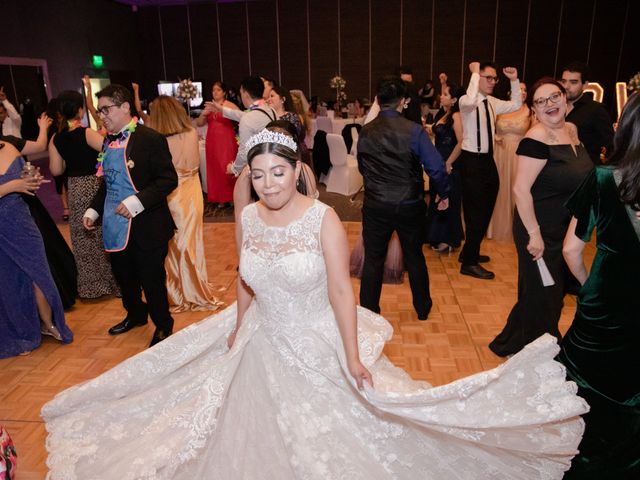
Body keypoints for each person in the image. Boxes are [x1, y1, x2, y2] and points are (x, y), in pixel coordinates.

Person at [42, 128, 589, 480]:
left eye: (277, 172)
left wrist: (351, 355)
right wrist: (237, 325)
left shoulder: (322, 218)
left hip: (314, 337)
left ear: (296, 170)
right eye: (257, 175)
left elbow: (338, 291)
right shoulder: (250, 217)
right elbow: (245, 278)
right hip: (260, 340)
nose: (267, 184)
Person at [557, 92, 640, 478]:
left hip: (603, 308)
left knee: (586, 396)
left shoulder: (605, 178)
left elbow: (572, 249)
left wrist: (593, 286)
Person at [488, 77, 593, 358]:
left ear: (564, 98)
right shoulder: (534, 140)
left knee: (543, 292)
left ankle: (510, 342)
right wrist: (534, 235)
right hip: (538, 228)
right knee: (546, 295)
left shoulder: (572, 130)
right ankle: (542, 357)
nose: (550, 104)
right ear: (533, 109)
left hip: (563, 227)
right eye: (541, 101)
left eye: (554, 96)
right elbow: (520, 190)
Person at [83, 84, 178, 347]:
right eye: (100, 110)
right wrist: (93, 210)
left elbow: (168, 180)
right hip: (115, 224)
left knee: (151, 279)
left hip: (147, 225)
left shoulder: (150, 139)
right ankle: (136, 314)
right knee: (124, 276)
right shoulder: (107, 140)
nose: (102, 115)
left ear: (125, 107)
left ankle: (163, 324)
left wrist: (138, 201)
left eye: (106, 109)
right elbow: (107, 182)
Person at [357, 76, 450, 321]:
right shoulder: (414, 131)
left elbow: (362, 166)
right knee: (414, 255)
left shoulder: (366, 131)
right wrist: (443, 192)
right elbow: (437, 168)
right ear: (405, 102)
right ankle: (422, 308)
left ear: (378, 100)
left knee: (374, 259)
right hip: (409, 204)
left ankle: (368, 313)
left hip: (376, 203)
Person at [148, 95, 223, 313]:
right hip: (193, 191)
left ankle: (182, 291)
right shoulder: (191, 133)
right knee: (191, 242)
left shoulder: (159, 141)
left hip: (173, 195)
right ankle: (191, 284)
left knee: (175, 246)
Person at [0, 140, 73, 358]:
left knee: (39, 273)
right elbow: (15, 185)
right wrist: (13, 186)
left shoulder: (8, 147)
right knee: (9, 280)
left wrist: (30, 180)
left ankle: (49, 322)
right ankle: (24, 329)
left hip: (21, 220)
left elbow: (24, 178)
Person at [1, 115, 79, 309]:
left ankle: (46, 313)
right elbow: (39, 145)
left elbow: (36, 152)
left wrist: (27, 179)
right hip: (15, 212)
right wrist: (42, 127)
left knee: (37, 263)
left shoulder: (8, 144)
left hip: (21, 211)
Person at [48, 90, 119, 299]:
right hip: (94, 185)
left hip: (75, 188)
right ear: (80, 109)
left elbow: (56, 170)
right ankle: (113, 283)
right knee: (101, 234)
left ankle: (90, 287)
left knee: (81, 237)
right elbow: (110, 152)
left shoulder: (56, 138)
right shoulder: (85, 133)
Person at [457, 61, 522, 279]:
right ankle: (469, 262)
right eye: (489, 78)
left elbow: (516, 104)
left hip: (487, 161)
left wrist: (513, 80)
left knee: (486, 207)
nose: (493, 82)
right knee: (476, 212)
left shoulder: (492, 102)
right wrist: (475, 74)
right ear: (478, 77)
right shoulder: (466, 101)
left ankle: (470, 250)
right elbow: (471, 98)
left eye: (495, 78)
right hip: (471, 162)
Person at [487, 83, 531, 241]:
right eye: (520, 89)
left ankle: (517, 229)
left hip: (518, 156)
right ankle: (490, 227)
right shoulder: (500, 109)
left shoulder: (530, 111)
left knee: (515, 190)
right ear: (510, 92)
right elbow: (487, 127)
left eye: (525, 90)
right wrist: (494, 136)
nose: (523, 92)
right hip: (499, 154)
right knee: (496, 188)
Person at [426, 85, 465, 253]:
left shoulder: (456, 115)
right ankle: (436, 235)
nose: (441, 97)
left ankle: (449, 239)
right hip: (438, 163)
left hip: (449, 164)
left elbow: (462, 142)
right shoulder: (445, 114)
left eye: (445, 94)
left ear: (454, 99)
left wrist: (449, 163)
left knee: (448, 200)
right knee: (437, 199)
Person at [196, 81, 240, 207]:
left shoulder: (229, 105)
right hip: (212, 141)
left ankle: (231, 196)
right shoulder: (209, 106)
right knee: (215, 168)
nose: (215, 92)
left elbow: (241, 117)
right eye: (213, 90)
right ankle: (221, 198)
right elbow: (199, 123)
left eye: (218, 90)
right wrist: (204, 115)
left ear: (224, 92)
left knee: (227, 167)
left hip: (226, 140)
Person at [560, 61, 614, 165]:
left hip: (584, 174)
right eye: (564, 81)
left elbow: (612, 145)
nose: (566, 86)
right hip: (555, 171)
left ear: (585, 85)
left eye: (573, 82)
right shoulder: (556, 107)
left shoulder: (596, 110)